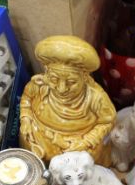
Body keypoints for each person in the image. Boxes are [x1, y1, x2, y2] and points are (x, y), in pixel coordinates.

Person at [20, 36, 116, 167]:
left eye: (71, 82)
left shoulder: (95, 96)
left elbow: (107, 121)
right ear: (47, 73)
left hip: (77, 143)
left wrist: (86, 141)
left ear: (84, 77)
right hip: (38, 135)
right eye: (54, 79)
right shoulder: (39, 84)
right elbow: (26, 99)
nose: (61, 89)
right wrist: (26, 118)